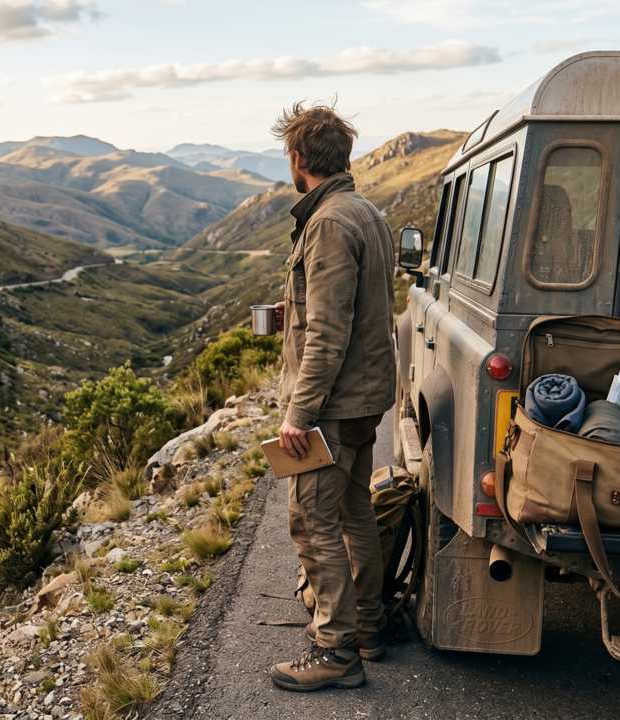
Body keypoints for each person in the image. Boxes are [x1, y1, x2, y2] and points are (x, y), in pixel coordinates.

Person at [266, 100, 396, 692]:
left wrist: (298, 416)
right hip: (366, 398)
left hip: (335, 407)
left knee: (311, 519)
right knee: (353, 510)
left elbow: (327, 333)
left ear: (299, 160)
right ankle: (368, 627)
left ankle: (335, 650)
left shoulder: (325, 223)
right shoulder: (365, 211)